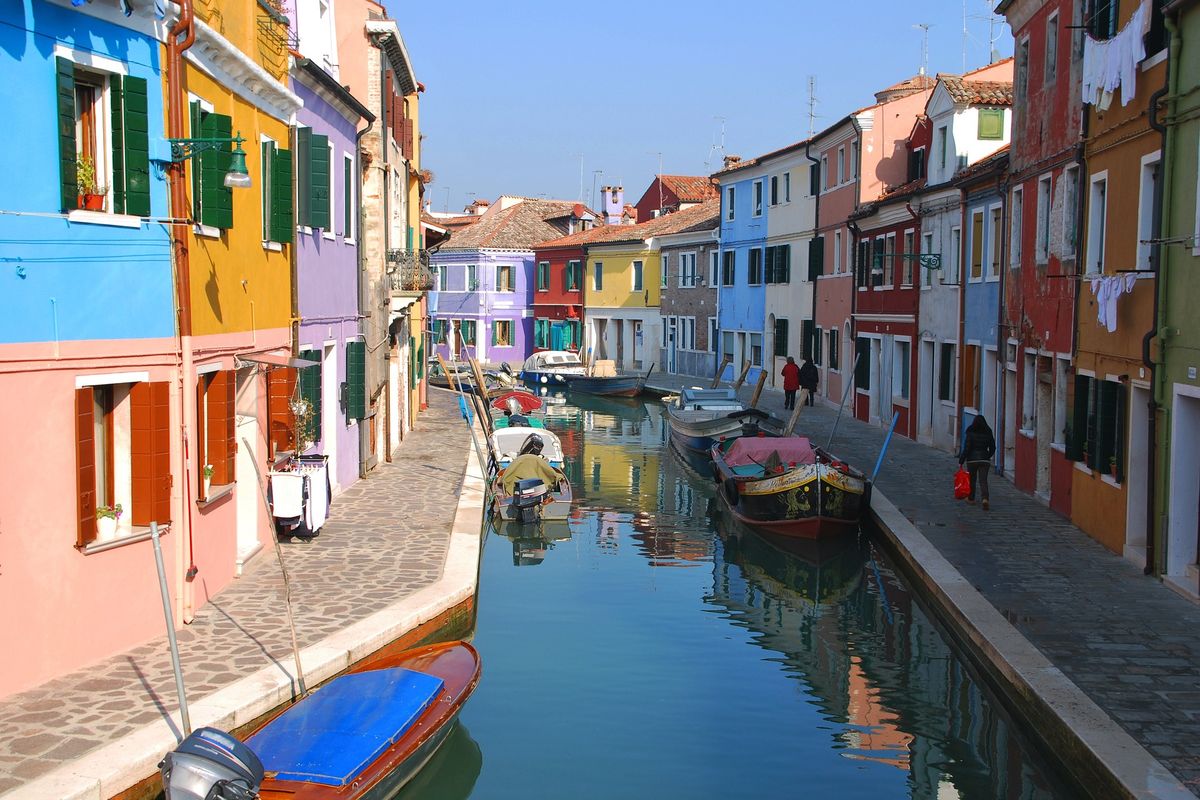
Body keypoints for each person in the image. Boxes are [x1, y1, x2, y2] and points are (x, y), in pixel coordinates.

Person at [958, 415, 997, 510]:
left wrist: (961, 460)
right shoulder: (988, 431)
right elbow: (993, 447)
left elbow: (967, 448)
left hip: (972, 460)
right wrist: (988, 455)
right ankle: (985, 499)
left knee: (972, 480)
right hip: (984, 459)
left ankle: (971, 498)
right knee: (983, 480)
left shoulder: (970, 431)